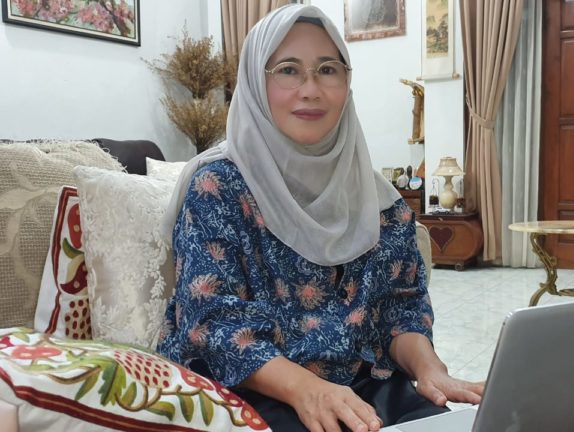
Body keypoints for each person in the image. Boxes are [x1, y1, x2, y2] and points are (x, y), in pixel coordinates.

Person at [157, 5, 484, 432]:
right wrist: (306, 390)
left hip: (363, 386)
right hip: (249, 388)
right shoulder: (218, 187)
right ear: (255, 82)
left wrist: (429, 368)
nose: (310, 90)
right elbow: (213, 324)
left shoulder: (380, 203)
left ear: (347, 83)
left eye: (328, 69)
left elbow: (400, 309)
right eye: (288, 70)